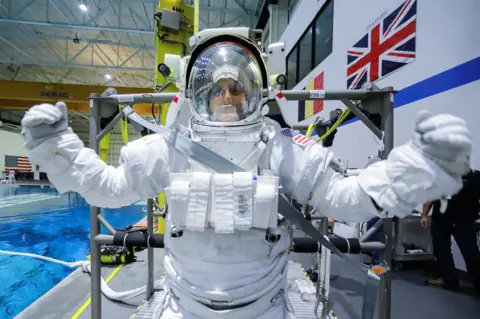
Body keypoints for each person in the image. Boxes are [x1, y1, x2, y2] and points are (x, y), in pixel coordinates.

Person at [20, 29, 472, 318]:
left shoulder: (280, 149)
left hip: (264, 308)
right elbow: (110, 188)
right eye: (217, 88)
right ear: (198, 93)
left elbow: (345, 197)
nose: (227, 97)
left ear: (255, 92)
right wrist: (58, 147)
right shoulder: (169, 149)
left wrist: (418, 168)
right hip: (184, 308)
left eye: (237, 88)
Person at [421, 169, 480, 294]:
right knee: (442, 251)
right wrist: (424, 214)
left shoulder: (475, 177)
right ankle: (449, 280)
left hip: (464, 222)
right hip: (440, 220)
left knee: (471, 255)